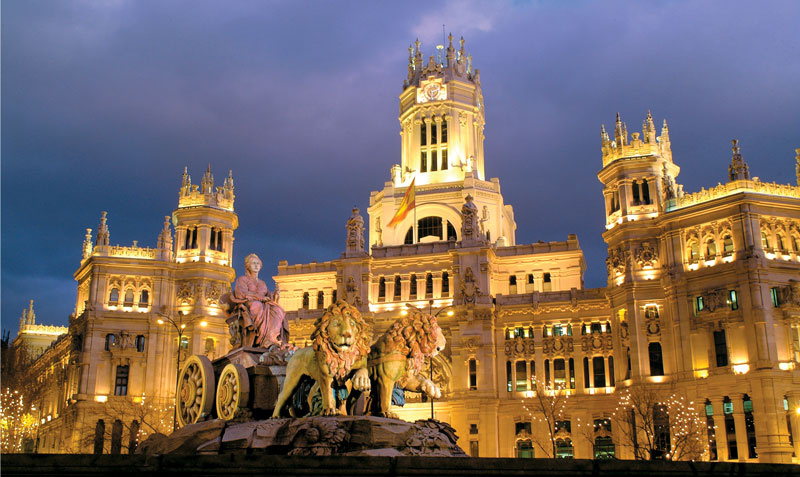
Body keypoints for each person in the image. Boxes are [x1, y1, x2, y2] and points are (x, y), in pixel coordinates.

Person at [231, 253, 288, 348]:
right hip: (249, 304)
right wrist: (259, 297)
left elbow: (268, 296)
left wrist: (276, 295)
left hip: (265, 304)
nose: (256, 265)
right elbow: (241, 294)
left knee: (278, 309)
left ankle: (271, 337)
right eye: (253, 263)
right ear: (248, 266)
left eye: (258, 263)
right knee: (257, 306)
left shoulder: (262, 283)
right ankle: (261, 338)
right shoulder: (242, 279)